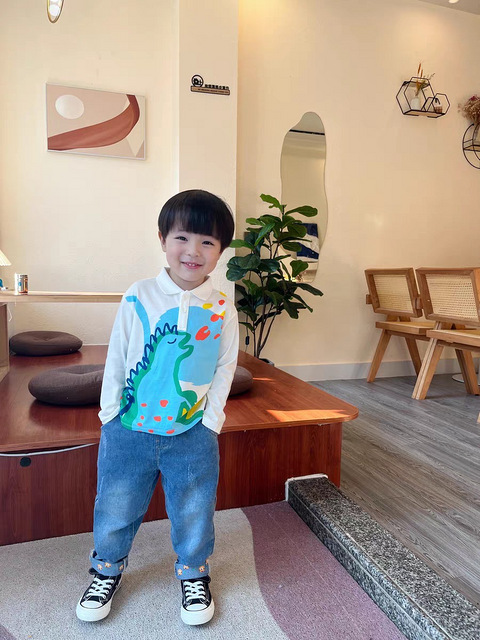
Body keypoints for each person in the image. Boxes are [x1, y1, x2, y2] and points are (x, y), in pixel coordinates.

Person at [76, 190, 238, 626]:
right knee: (116, 503)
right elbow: (117, 354)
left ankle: (193, 571)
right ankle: (106, 568)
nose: (193, 251)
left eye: (207, 242)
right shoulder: (140, 295)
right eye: (182, 237)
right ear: (163, 239)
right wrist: (110, 414)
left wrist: (211, 421)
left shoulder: (222, 306)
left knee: (194, 507)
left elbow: (225, 366)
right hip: (128, 425)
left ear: (221, 250)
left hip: (192, 430)